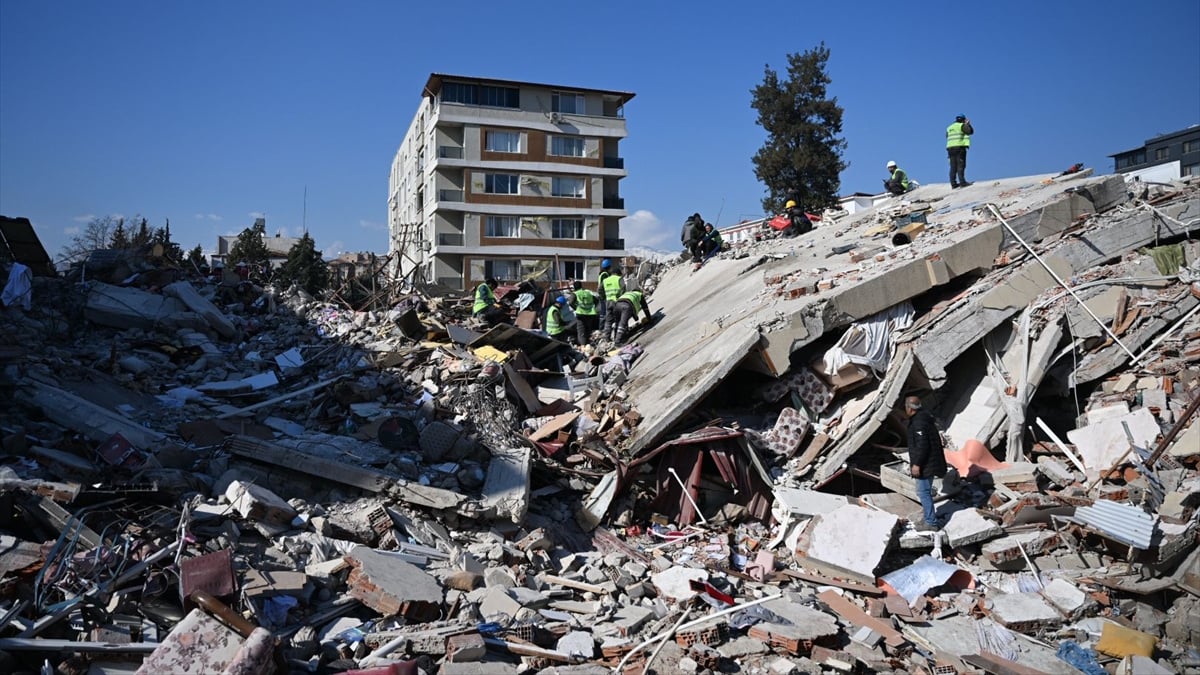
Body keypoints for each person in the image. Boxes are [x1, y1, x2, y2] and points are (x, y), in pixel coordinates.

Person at [904, 395, 948, 531]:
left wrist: (917, 464)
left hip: (926, 464)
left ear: (910, 409)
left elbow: (922, 446)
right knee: (925, 491)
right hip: (930, 461)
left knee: (923, 492)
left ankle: (931, 522)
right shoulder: (924, 418)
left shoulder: (918, 423)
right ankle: (929, 518)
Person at [946, 114, 974, 189]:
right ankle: (962, 182)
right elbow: (970, 132)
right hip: (959, 148)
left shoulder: (949, 127)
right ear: (963, 119)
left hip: (950, 148)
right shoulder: (962, 126)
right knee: (961, 165)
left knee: (953, 167)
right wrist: (968, 124)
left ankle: (953, 184)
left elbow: (947, 136)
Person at [600, 260, 624, 336]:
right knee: (618, 319)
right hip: (616, 301)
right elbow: (624, 290)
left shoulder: (605, 279)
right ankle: (617, 336)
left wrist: (604, 297)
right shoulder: (618, 279)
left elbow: (599, 289)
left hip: (608, 301)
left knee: (608, 320)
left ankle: (607, 337)